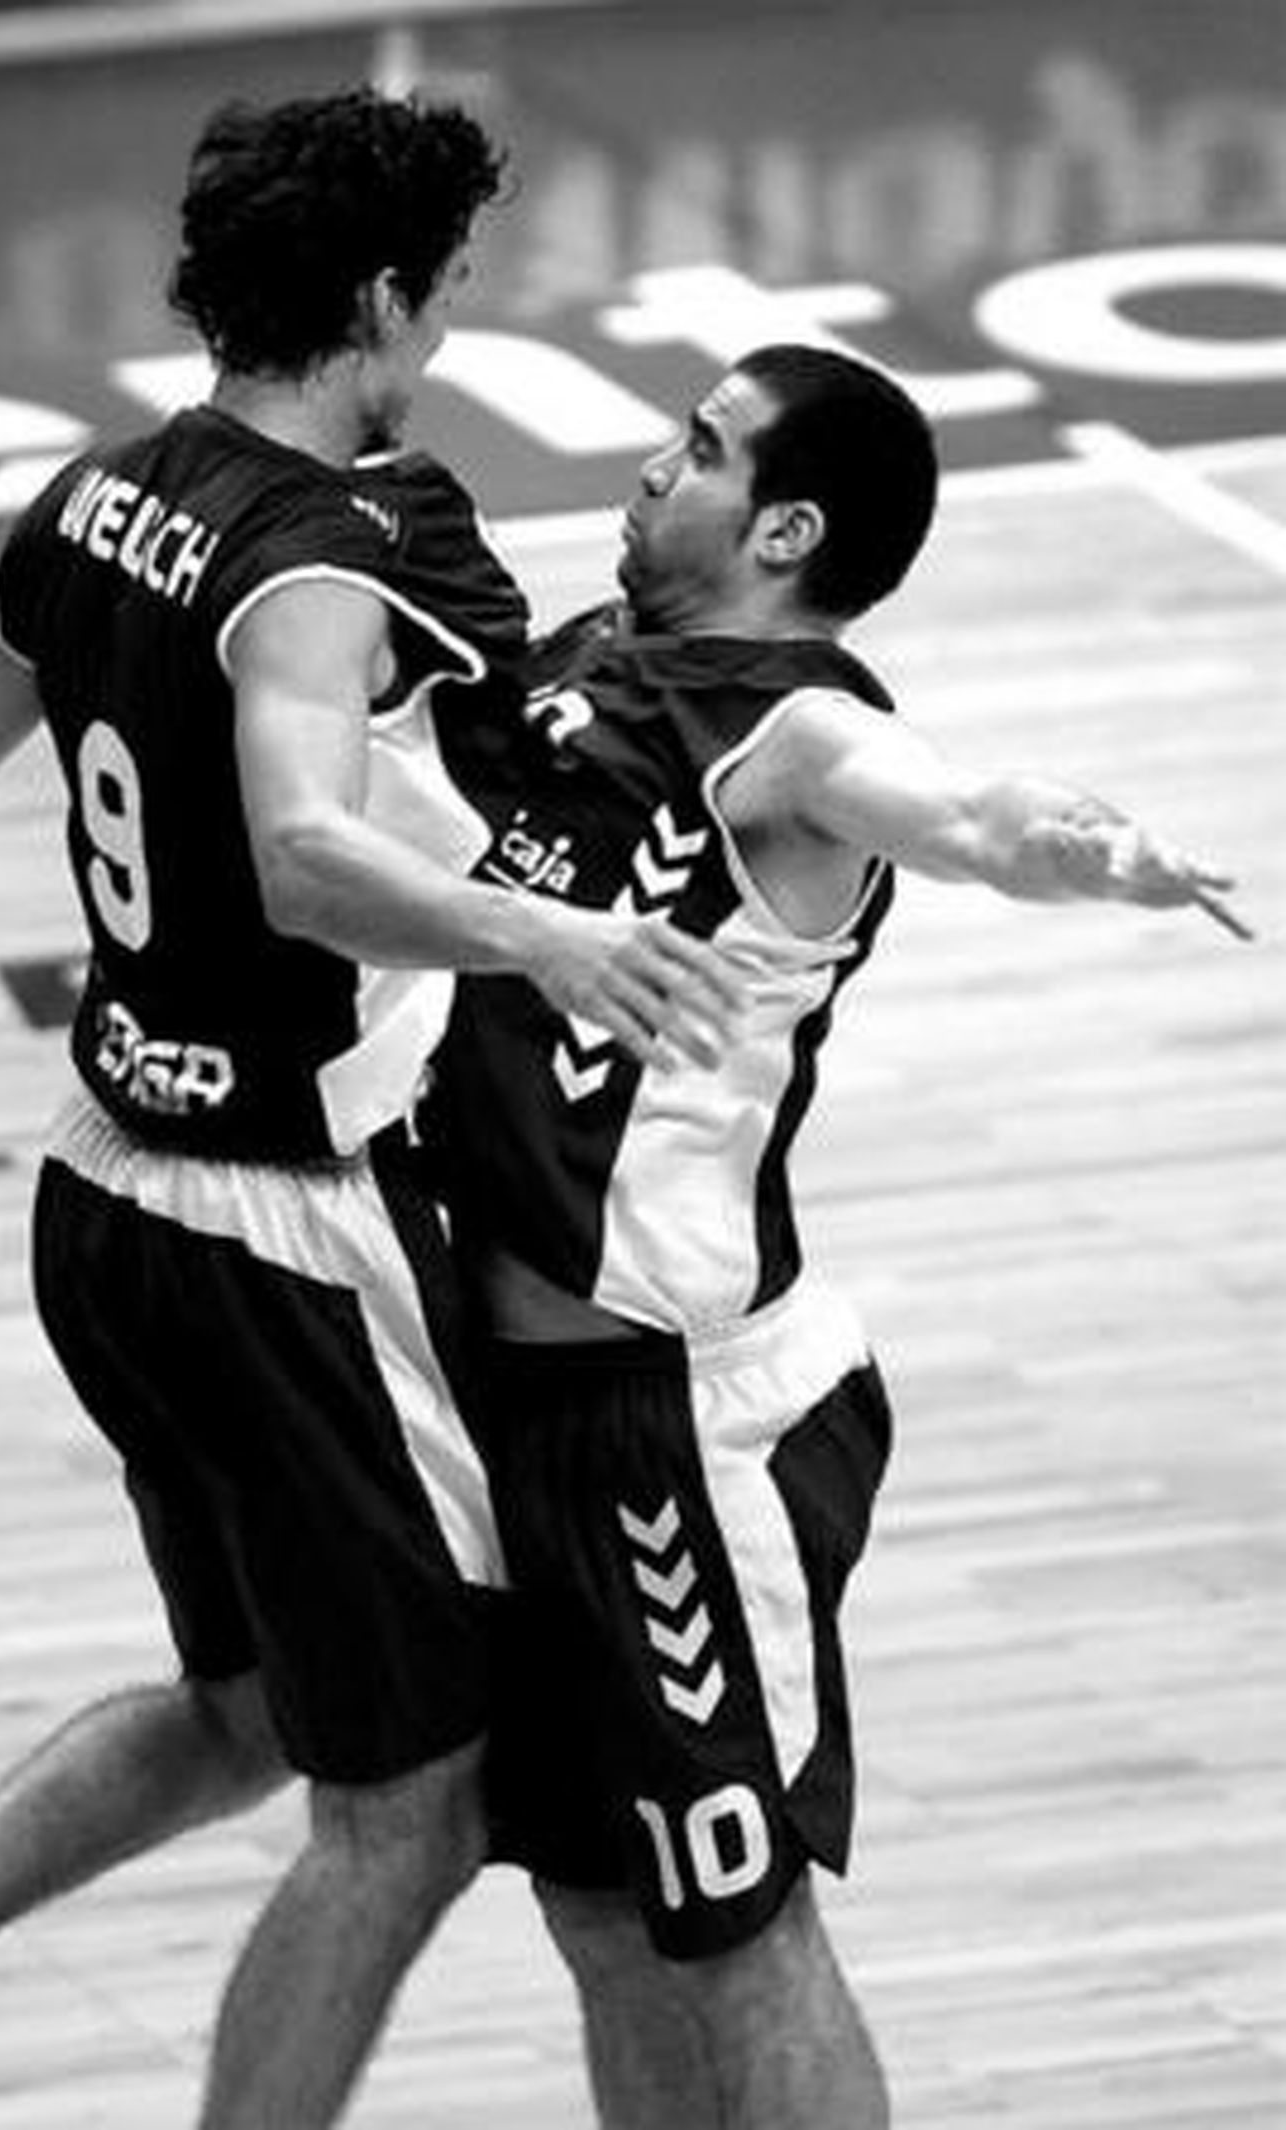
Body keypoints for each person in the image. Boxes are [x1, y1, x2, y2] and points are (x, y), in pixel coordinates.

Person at [0, 88, 743, 2130]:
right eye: (438, 297)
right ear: (373, 296)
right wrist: (533, 939)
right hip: (275, 1234)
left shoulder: (95, 498)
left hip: (100, 1210)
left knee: (253, 1709)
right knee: (410, 1809)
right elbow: (296, 849)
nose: (441, 334)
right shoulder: (314, 557)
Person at [419, 341, 1247, 2129]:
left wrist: (1088, 847)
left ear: (782, 524)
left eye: (698, 447)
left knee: (743, 1926)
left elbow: (959, 811)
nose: (654, 465)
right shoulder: (587, 665)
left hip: (681, 1427)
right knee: (601, 1910)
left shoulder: (796, 733)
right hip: (516, 1407)